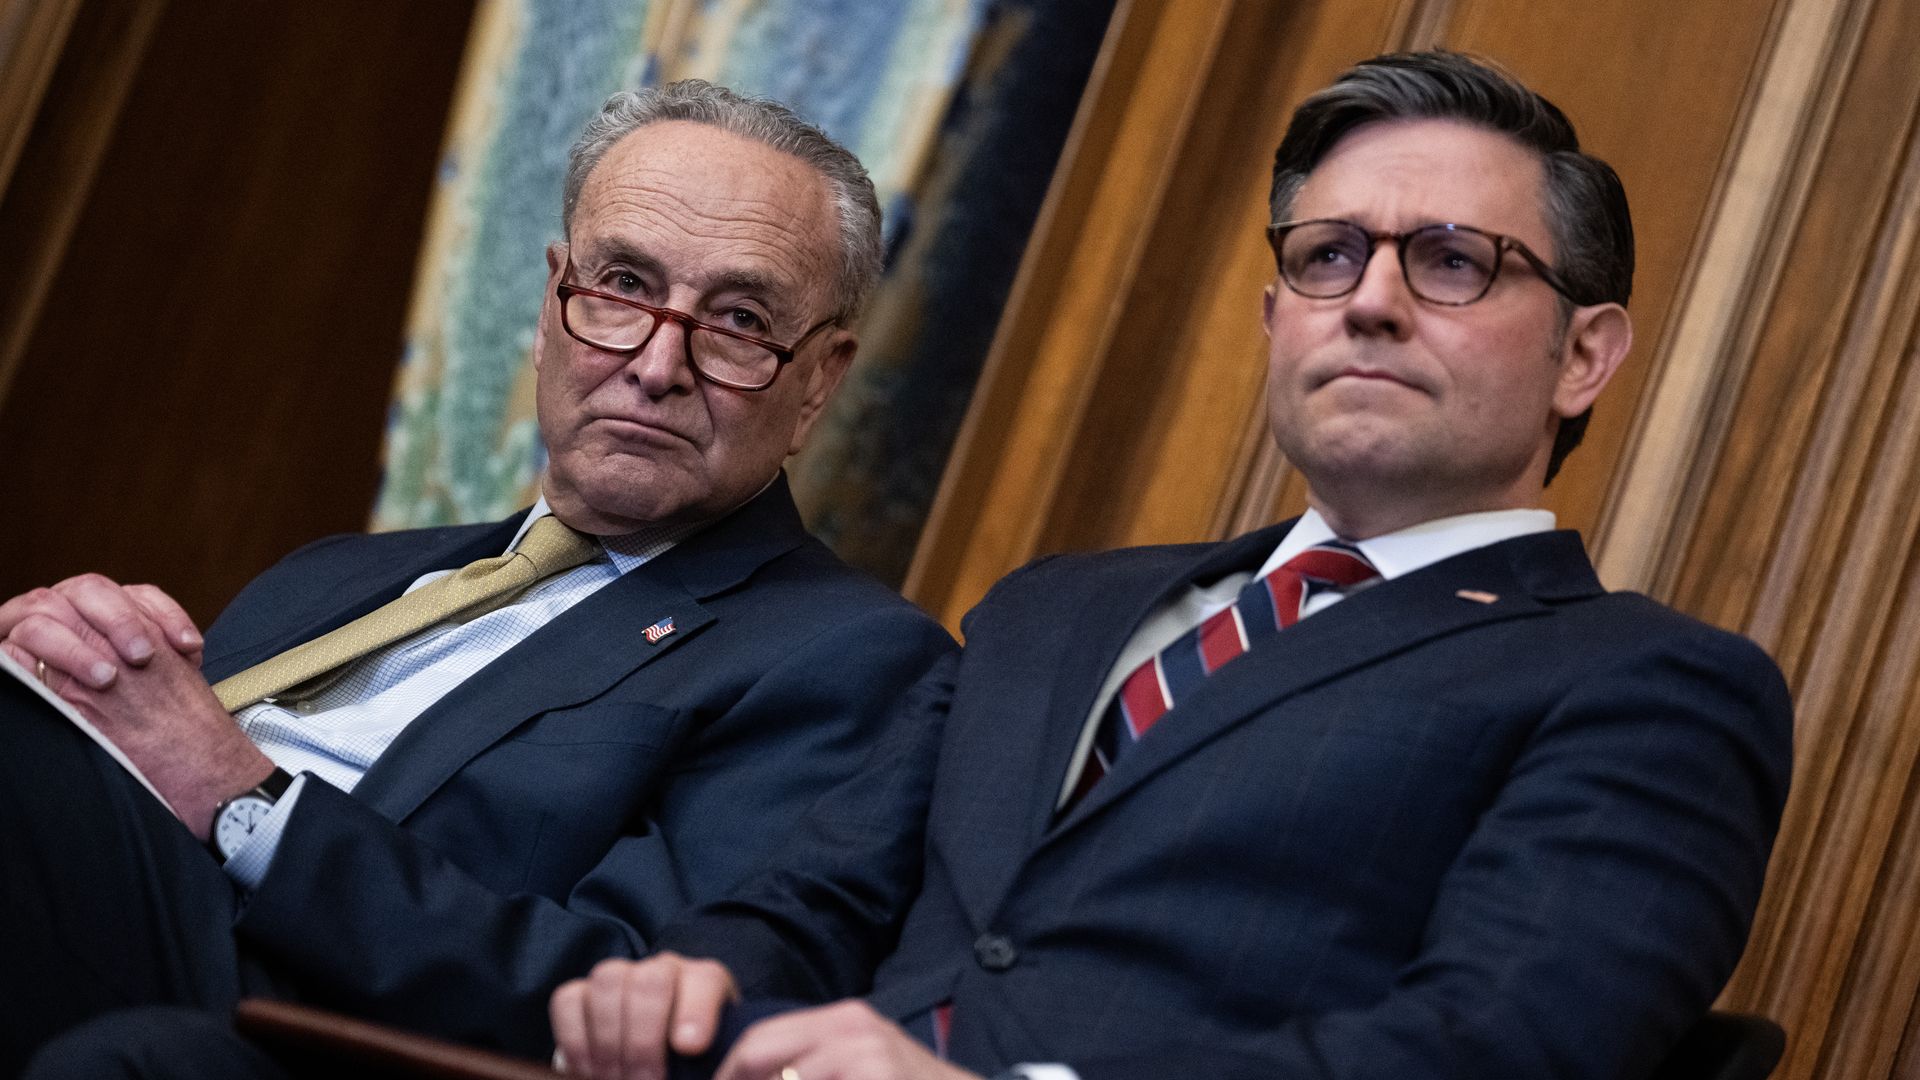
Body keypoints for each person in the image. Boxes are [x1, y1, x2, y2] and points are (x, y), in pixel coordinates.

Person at [544, 52, 1794, 1080]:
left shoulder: (1650, 687)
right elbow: (814, 902)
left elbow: (1495, 1051)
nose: (1370, 301)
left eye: (1453, 262)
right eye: (1328, 255)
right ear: (1277, 321)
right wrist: (688, 982)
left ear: (1585, 356)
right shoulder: (1052, 610)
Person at [0, 79, 954, 1073]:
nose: (657, 364)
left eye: (740, 320)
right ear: (551, 306)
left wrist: (243, 801)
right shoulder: (334, 576)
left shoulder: (848, 658)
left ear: (820, 382)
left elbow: (635, 1004)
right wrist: (71, 690)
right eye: (622, 285)